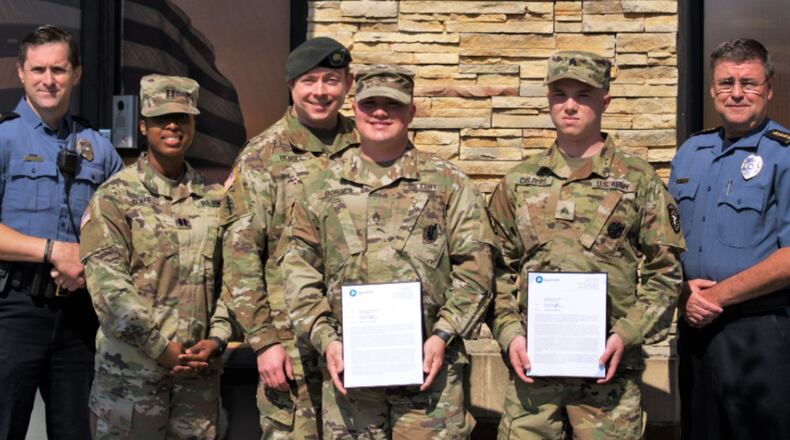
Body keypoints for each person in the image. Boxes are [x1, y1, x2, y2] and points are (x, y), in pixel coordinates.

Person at [283, 64, 495, 439]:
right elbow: (299, 273)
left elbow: (476, 269)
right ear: (356, 109)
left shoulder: (449, 184)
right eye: (370, 104)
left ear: (411, 112)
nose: (380, 112)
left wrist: (443, 334)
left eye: (393, 105)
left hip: (430, 377)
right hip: (351, 379)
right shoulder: (320, 189)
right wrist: (325, 338)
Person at [487, 51, 685, 439]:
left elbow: (666, 272)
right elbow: (494, 270)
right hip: (533, 378)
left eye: (583, 94)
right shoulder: (520, 181)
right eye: (560, 94)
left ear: (605, 100)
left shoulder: (637, 180)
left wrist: (627, 333)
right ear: (548, 99)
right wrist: (509, 332)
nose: (570, 105)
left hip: (607, 377)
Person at [80, 74, 232, 439]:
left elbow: (235, 279)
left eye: (182, 118)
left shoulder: (215, 200)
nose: (173, 126)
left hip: (197, 387)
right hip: (131, 385)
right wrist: (158, 346)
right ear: (143, 126)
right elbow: (108, 288)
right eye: (163, 118)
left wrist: (219, 336)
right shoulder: (114, 197)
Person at [221, 36, 358, 438]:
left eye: (331, 80)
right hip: (291, 345)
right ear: (291, 86)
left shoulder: (368, 146)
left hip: (359, 337)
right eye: (309, 80)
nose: (320, 92)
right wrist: (263, 341)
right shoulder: (262, 157)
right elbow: (240, 255)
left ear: (349, 84)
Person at [0, 24, 123, 440]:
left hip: (78, 317)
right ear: (21, 73)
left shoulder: (99, 149)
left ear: (77, 74)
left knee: (77, 433)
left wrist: (86, 265)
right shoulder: (3, 138)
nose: (48, 80)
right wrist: (54, 250)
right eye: (38, 70)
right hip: (12, 311)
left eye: (58, 69)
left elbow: (121, 229)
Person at [670, 38, 790, 440]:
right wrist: (684, 294)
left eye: (748, 82)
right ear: (712, 90)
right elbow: (667, 241)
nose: (736, 92)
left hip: (759, 332)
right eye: (726, 82)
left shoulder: (784, 156)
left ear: (769, 89)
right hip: (695, 327)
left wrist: (716, 297)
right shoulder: (690, 152)